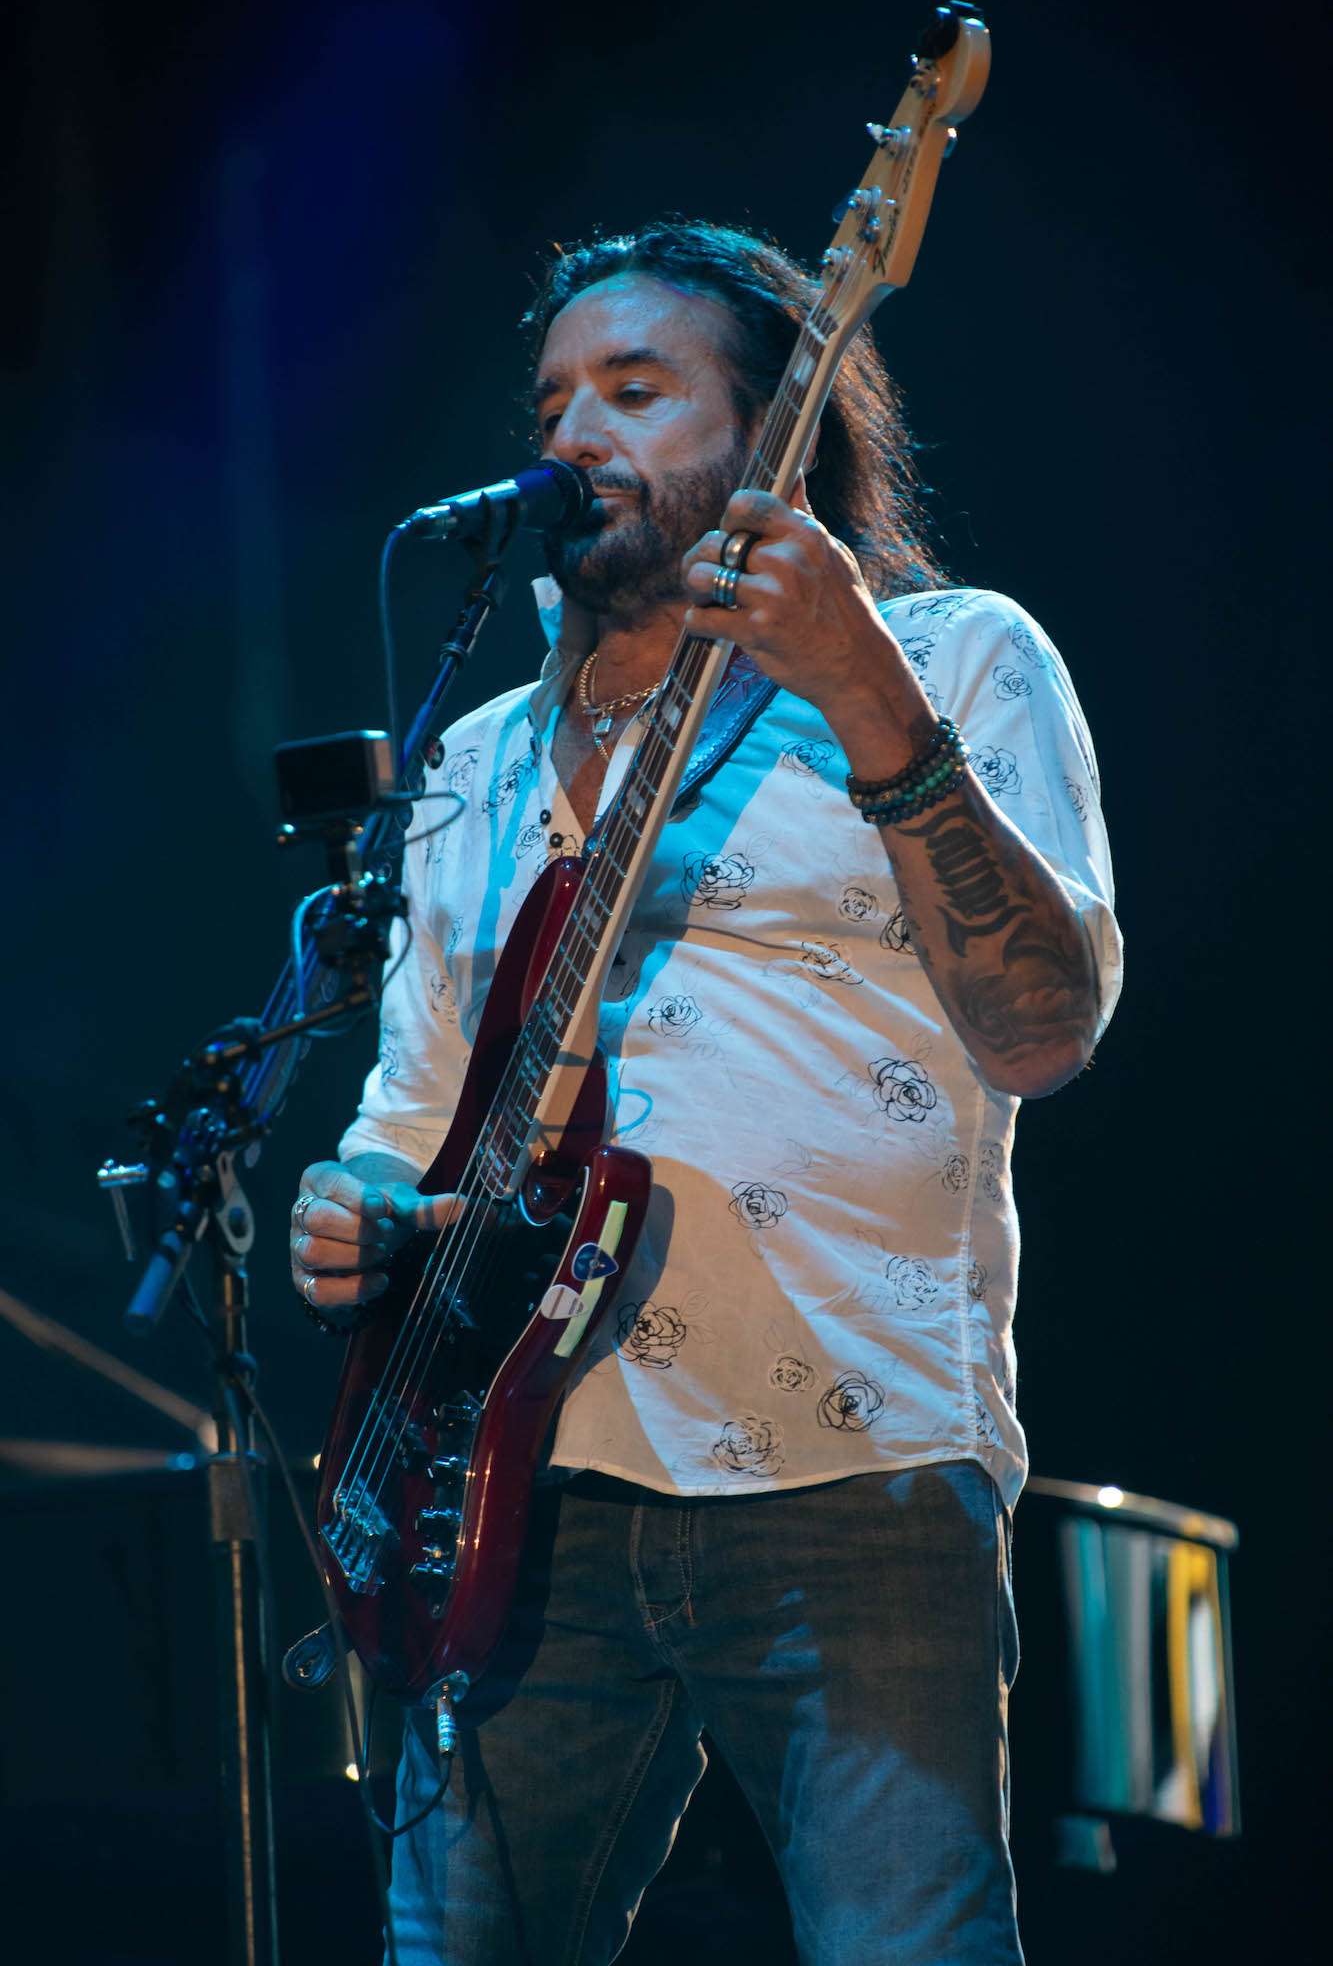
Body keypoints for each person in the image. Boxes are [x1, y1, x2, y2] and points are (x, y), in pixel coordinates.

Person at [289, 221, 1121, 1965]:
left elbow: (1042, 1030)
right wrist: (355, 1201)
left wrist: (862, 691)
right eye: (551, 400)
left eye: (634, 389)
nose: (571, 432)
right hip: (515, 1478)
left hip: (856, 1460)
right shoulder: (475, 758)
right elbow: (415, 1102)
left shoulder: (955, 655)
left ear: (772, 431)